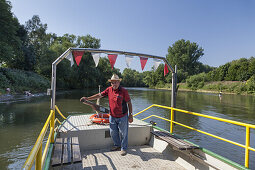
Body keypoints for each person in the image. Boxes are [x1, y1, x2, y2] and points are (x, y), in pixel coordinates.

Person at [80, 74, 133, 156]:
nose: (114, 84)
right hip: (112, 116)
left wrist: (131, 115)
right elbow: (99, 95)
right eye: (112, 83)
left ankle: (124, 148)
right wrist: (88, 98)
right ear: (111, 83)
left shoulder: (124, 91)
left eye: (116, 82)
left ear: (119, 82)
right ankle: (117, 145)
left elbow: (129, 103)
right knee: (113, 132)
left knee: (124, 133)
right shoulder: (109, 90)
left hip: (122, 116)